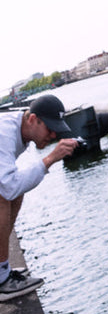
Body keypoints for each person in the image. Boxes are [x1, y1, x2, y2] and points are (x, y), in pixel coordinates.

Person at [0, 94, 78, 300]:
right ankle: (1, 279)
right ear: (33, 119)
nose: (53, 135)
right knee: (3, 197)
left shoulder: (17, 130)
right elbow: (7, 187)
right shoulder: (4, 133)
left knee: (15, 194)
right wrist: (51, 159)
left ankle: (1, 268)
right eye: (50, 128)